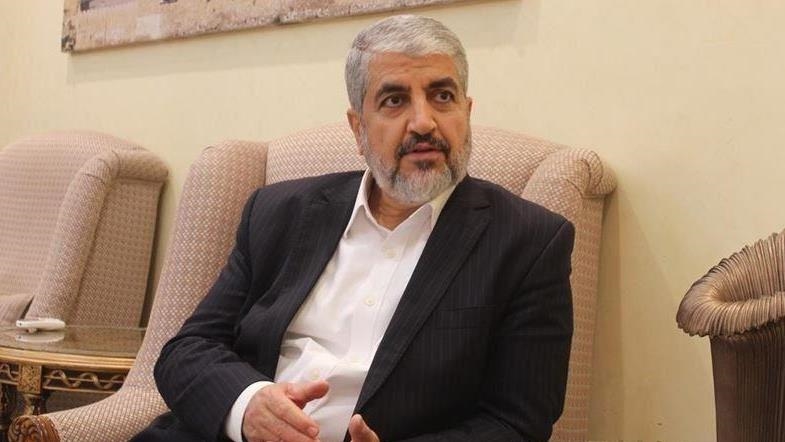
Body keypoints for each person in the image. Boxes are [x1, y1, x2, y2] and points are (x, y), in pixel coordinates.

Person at [135, 14, 574, 442]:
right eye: (394, 100)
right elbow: (188, 350)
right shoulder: (278, 212)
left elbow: (517, 422)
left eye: (442, 96)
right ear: (358, 128)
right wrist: (248, 406)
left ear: (467, 111)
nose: (424, 122)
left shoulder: (529, 242)